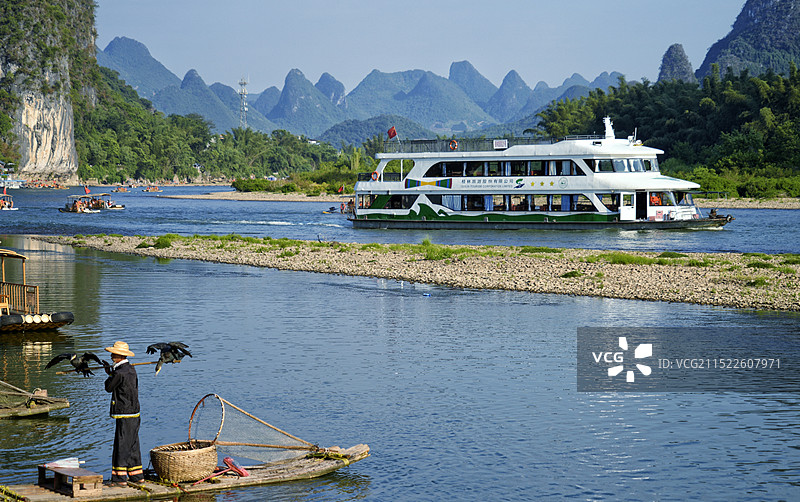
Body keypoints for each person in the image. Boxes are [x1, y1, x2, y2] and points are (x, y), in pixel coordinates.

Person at [103, 341, 144, 486]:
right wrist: (111, 372)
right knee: (132, 443)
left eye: (113, 354)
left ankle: (119, 479)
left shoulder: (119, 373)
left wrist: (110, 375)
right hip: (134, 412)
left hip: (124, 413)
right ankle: (137, 476)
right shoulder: (131, 369)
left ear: (120, 356)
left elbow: (109, 387)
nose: (111, 356)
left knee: (121, 444)